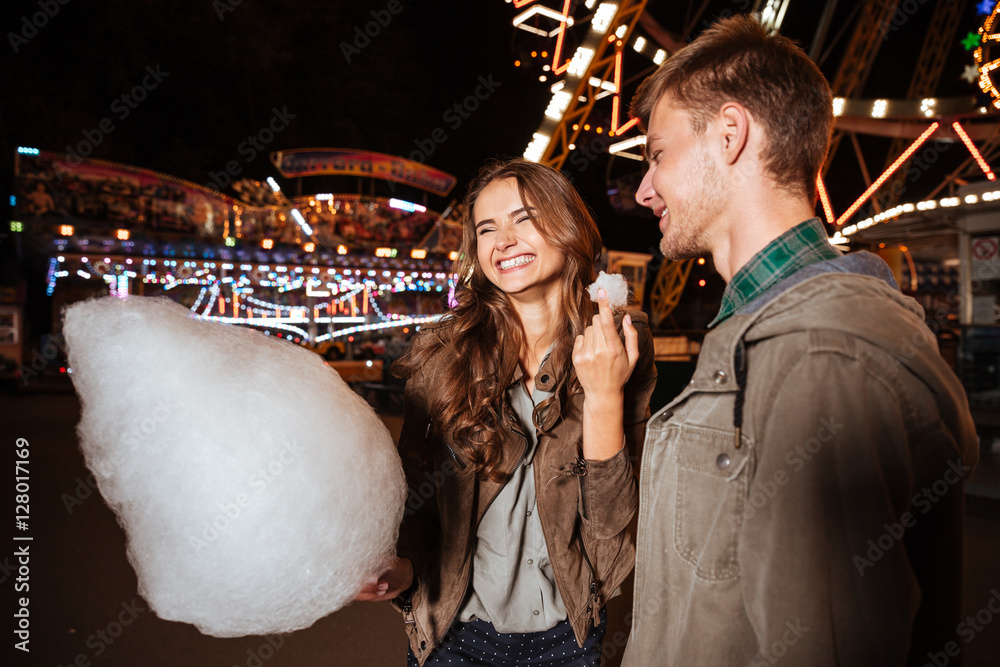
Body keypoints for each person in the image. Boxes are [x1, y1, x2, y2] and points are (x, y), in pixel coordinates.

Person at [622, 14, 979, 667]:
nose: (644, 188)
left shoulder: (817, 358)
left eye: (657, 153)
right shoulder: (779, 334)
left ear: (730, 134)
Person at [355, 158, 657, 666]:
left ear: (569, 225)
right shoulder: (442, 354)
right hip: (455, 635)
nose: (504, 240)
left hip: (569, 638)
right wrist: (403, 567)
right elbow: (417, 499)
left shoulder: (623, 341)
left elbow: (611, 531)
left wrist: (604, 395)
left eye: (524, 218)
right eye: (486, 228)